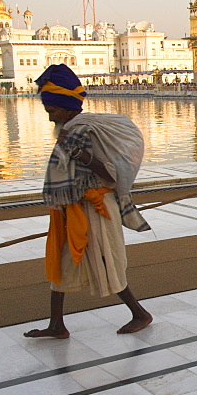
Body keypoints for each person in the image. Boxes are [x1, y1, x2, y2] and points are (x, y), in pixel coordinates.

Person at [25, 64, 152, 339]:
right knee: (62, 264)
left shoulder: (84, 131)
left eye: (53, 112)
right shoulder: (69, 129)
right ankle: (57, 325)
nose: (50, 118)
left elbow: (111, 174)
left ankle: (140, 314)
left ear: (68, 108)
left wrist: (78, 153)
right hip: (75, 208)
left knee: (106, 261)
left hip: (98, 209)